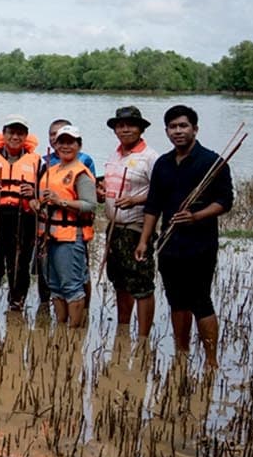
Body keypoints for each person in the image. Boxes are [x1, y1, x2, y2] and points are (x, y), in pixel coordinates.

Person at [137, 105, 233, 365]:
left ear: (195, 129)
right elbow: (153, 206)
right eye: (173, 127)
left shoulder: (212, 162)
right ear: (166, 131)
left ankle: (211, 361)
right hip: (169, 244)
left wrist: (196, 216)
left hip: (200, 244)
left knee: (200, 300)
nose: (178, 131)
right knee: (177, 301)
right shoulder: (163, 164)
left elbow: (225, 201)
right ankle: (182, 355)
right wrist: (144, 240)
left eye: (183, 126)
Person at [100, 105, 158, 336]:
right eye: (120, 126)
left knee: (141, 284)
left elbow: (160, 194)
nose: (125, 130)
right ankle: (122, 329)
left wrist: (135, 200)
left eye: (130, 125)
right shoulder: (114, 155)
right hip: (114, 228)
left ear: (141, 129)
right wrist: (101, 191)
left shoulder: (150, 157)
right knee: (119, 280)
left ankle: (143, 337)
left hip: (136, 229)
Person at [0, 116, 41, 313]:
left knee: (19, 263)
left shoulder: (37, 161)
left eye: (20, 133)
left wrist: (34, 193)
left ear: (26, 136)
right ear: (3, 134)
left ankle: (16, 305)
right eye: (11, 132)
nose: (15, 137)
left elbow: (43, 195)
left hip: (23, 218)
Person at [36, 125, 97, 327]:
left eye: (71, 142)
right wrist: (37, 203)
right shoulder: (51, 170)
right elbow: (42, 199)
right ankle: (61, 328)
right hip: (48, 237)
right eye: (61, 142)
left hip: (70, 238)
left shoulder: (81, 173)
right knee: (54, 286)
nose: (65, 146)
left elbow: (90, 205)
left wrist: (61, 201)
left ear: (79, 145)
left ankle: (74, 332)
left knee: (71, 287)